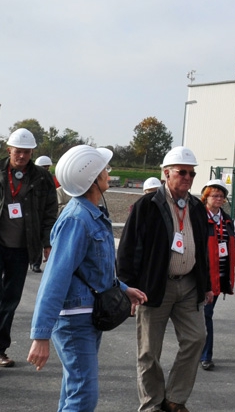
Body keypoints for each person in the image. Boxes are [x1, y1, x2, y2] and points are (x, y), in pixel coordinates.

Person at [27, 145, 148, 411]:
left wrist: (123, 288)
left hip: (86, 316)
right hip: (73, 320)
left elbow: (95, 269)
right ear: (93, 178)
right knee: (84, 397)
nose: (109, 171)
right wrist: (41, 335)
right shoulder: (77, 220)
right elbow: (54, 278)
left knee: (74, 392)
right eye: (104, 168)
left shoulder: (90, 214)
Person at [117, 146, 213, 412]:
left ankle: (174, 398)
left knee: (196, 338)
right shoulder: (147, 206)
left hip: (188, 284)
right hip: (155, 287)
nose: (188, 178)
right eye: (182, 172)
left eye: (192, 173)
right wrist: (128, 287)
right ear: (166, 173)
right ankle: (152, 403)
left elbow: (203, 249)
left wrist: (205, 285)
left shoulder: (195, 206)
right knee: (149, 352)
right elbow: (127, 249)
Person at [0, 127, 59, 367]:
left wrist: (47, 243)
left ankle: (0, 350)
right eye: (18, 151)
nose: (22, 156)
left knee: (10, 300)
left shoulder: (42, 178)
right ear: (9, 150)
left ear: (32, 151)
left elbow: (49, 213)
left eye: (26, 152)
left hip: (22, 248)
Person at [199, 179, 235, 372]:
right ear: (206, 197)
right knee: (204, 315)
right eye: (215, 195)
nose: (219, 199)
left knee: (206, 315)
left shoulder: (227, 219)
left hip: (219, 277)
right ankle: (203, 354)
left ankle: (203, 354)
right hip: (202, 277)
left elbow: (234, 246)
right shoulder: (199, 217)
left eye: (222, 196)